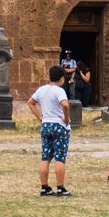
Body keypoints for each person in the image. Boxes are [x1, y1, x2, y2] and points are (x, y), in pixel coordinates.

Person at [29, 63, 73, 197]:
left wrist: (40, 117)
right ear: (61, 79)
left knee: (45, 157)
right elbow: (65, 104)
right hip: (59, 125)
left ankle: (44, 187)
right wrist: (67, 118)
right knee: (60, 157)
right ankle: (60, 187)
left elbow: (30, 102)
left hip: (46, 124)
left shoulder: (42, 90)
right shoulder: (59, 90)